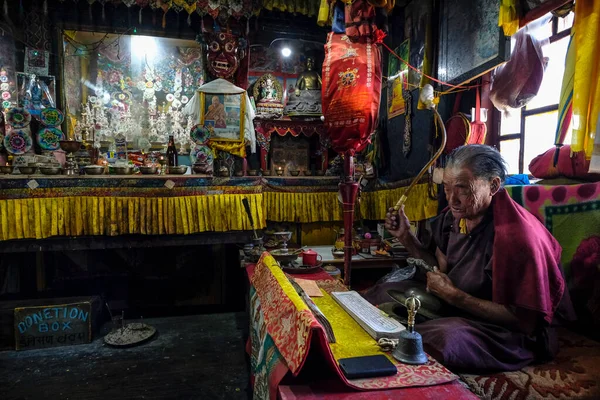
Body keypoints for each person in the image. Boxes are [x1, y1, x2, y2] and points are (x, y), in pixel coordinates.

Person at [384, 145, 575, 371]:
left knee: (445, 338)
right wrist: (406, 237)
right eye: (447, 188)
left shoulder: (516, 237)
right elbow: (440, 267)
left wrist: (456, 297)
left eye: (462, 189)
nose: (452, 200)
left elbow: (525, 320)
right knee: (384, 293)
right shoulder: (454, 218)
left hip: (507, 332)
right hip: (459, 309)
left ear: (493, 185)